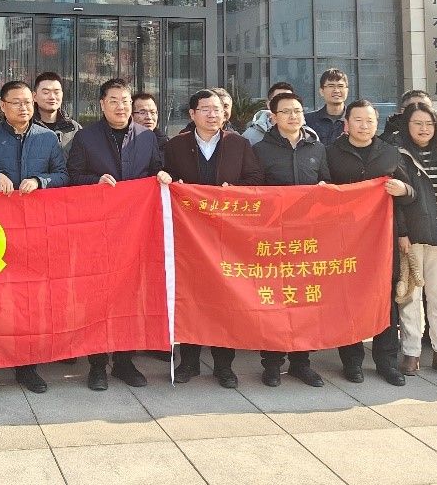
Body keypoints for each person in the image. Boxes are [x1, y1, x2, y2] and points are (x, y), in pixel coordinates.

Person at [0, 80, 68, 396]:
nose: (24, 107)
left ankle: (27, 367)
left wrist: (40, 180)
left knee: (29, 304)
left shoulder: (47, 138)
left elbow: (64, 176)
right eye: (16, 102)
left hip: (34, 235)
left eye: (27, 102)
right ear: (2, 106)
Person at [66, 78, 164, 390]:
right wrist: (94, 182)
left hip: (135, 232)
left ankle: (124, 361)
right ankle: (97, 364)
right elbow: (71, 176)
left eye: (125, 101)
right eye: (114, 101)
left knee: (131, 297)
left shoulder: (146, 137)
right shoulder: (86, 138)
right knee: (96, 296)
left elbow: (155, 172)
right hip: (97, 231)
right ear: (101, 104)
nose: (121, 107)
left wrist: (162, 177)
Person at [165, 89, 260, 388]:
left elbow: (256, 180)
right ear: (192, 114)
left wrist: (235, 190)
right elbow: (164, 176)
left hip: (227, 236)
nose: (212, 114)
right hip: (190, 238)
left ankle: (224, 365)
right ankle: (189, 362)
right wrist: (169, 181)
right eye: (205, 109)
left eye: (217, 109)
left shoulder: (239, 144)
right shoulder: (176, 145)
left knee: (225, 300)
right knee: (191, 298)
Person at [325, 99, 414, 386]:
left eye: (370, 121)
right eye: (358, 120)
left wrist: (403, 189)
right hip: (344, 240)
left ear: (377, 123)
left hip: (381, 240)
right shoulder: (331, 153)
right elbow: (320, 192)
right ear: (346, 124)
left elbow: (411, 194)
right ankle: (351, 361)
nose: (364, 126)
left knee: (384, 298)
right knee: (347, 297)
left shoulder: (390, 153)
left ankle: (387, 362)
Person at [252, 90, 328, 388]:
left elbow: (328, 185)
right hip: (274, 238)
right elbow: (254, 192)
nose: (293, 116)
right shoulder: (261, 150)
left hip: (307, 238)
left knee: (303, 300)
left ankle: (301, 362)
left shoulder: (316, 148)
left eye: (297, 110)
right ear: (273, 117)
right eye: (286, 111)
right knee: (274, 302)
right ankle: (272, 363)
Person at [394, 102, 437, 380]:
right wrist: (401, 233)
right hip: (411, 237)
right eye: (417, 123)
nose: (424, 129)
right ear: (407, 126)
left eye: (428, 124)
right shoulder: (397, 153)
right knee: (410, 297)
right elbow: (394, 201)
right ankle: (411, 352)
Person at [32, 71, 81, 151]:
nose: (52, 97)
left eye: (56, 92)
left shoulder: (73, 128)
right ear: (34, 96)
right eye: (46, 92)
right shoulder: (26, 126)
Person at [242, 81, 295, 146]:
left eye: (289, 99)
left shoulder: (304, 134)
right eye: (279, 99)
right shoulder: (251, 136)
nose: (284, 104)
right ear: (269, 104)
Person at [305, 68, 349, 144]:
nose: (336, 90)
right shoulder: (308, 121)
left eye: (340, 86)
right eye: (331, 86)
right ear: (321, 91)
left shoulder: (354, 120)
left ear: (347, 91)